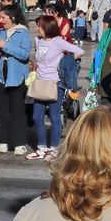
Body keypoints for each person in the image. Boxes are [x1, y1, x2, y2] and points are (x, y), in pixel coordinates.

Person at [27, 14, 84, 161]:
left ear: (47, 27)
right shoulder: (37, 40)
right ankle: (41, 147)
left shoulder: (58, 42)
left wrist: (64, 63)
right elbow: (37, 56)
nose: (37, 28)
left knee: (54, 117)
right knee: (36, 116)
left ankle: (53, 148)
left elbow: (79, 51)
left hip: (55, 83)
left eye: (39, 25)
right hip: (39, 82)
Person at [0, 3, 34, 157]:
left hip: (16, 78)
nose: (0, 20)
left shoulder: (23, 33)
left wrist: (6, 46)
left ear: (12, 17)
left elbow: (24, 54)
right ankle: (3, 141)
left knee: (17, 111)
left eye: (3, 17)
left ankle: (20, 143)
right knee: (1, 111)